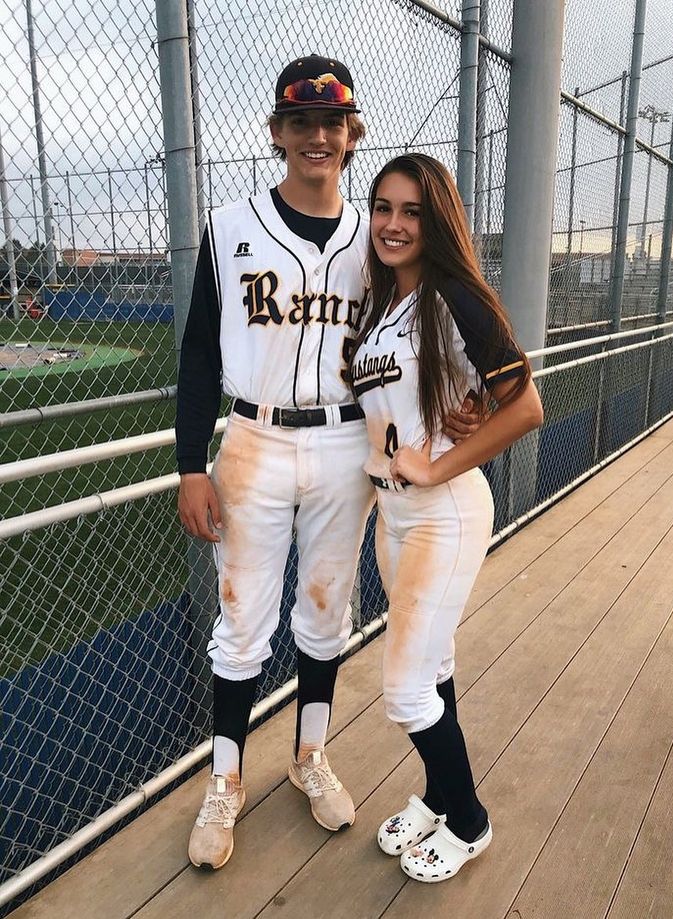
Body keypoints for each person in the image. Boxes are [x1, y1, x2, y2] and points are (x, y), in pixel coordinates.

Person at [175, 55, 377, 870]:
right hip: (252, 438)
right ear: (276, 134)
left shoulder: (379, 235)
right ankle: (225, 778)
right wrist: (192, 463)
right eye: (300, 122)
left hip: (345, 439)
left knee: (326, 610)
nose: (316, 136)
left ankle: (309, 756)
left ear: (351, 135)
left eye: (332, 124)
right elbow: (195, 353)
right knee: (242, 620)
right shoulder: (229, 227)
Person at [349, 153, 544, 883]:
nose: (394, 224)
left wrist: (434, 462)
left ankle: (468, 820)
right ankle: (436, 798)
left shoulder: (456, 294)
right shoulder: (383, 306)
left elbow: (524, 405)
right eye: (384, 208)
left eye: (412, 211)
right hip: (392, 517)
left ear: (436, 221)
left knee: (402, 688)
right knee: (433, 666)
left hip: (444, 511)